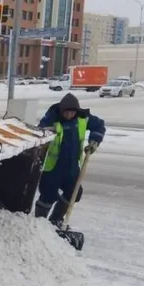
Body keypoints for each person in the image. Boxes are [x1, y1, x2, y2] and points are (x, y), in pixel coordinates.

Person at [34, 93, 106, 227]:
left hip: (72, 167)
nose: (69, 115)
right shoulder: (52, 118)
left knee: (74, 192)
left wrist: (94, 141)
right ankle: (39, 224)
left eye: (72, 112)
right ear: (61, 111)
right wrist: (45, 131)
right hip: (52, 168)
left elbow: (99, 125)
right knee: (48, 196)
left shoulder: (82, 118)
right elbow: (40, 130)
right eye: (66, 112)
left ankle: (56, 220)